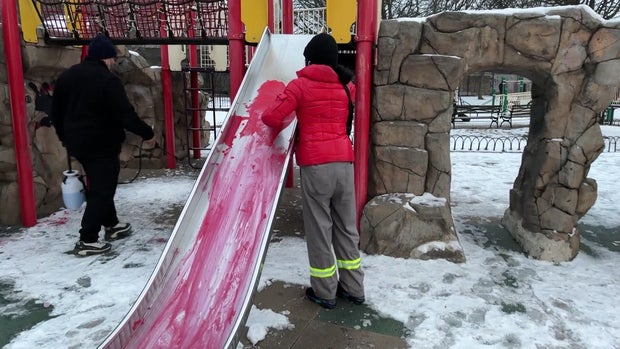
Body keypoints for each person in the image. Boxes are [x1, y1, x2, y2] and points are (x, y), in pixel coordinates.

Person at [261, 33, 365, 309]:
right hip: (344, 163)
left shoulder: (299, 86)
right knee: (346, 228)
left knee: (320, 229)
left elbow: (271, 117)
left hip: (316, 165)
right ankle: (354, 288)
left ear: (309, 58)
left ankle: (325, 291)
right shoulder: (347, 87)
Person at [51, 34, 155, 256]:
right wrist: (147, 133)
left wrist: (64, 138)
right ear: (107, 58)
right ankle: (87, 239)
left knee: (99, 185)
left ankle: (111, 224)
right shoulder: (108, 81)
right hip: (102, 145)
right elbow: (126, 114)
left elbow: (56, 113)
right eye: (113, 59)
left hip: (77, 144)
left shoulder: (67, 76)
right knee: (102, 190)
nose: (113, 64)